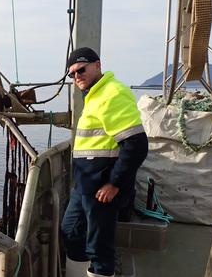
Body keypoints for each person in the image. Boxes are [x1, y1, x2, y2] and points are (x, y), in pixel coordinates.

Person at [60, 47, 148, 277]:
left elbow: (136, 144)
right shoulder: (94, 95)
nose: (77, 76)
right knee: (70, 231)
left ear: (97, 65)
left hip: (102, 187)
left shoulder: (112, 93)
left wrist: (114, 183)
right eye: (72, 74)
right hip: (85, 185)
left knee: (99, 249)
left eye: (81, 69)